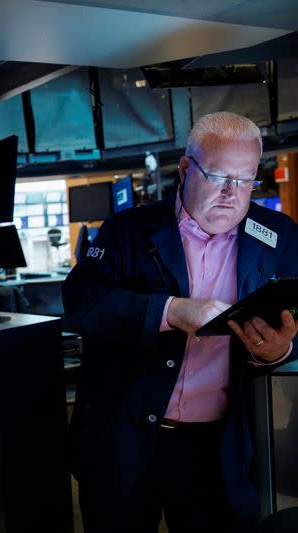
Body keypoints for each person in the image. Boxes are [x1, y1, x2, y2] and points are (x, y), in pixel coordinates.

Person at [63, 111, 298, 533]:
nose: (232, 193)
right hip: (126, 437)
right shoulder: (127, 230)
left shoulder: (280, 237)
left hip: (219, 446)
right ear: (187, 168)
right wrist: (170, 311)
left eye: (246, 181)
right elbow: (82, 301)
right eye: (219, 176)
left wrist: (279, 351)